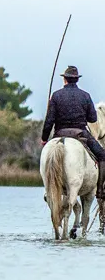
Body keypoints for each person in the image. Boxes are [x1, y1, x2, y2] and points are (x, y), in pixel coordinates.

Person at [41, 66, 105, 199]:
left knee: (47, 156)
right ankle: (100, 191)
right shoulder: (85, 95)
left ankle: (47, 190)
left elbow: (49, 121)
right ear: (76, 80)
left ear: (64, 79)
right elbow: (92, 118)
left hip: (59, 134)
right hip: (80, 133)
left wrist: (44, 139)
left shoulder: (56, 95)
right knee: (103, 156)